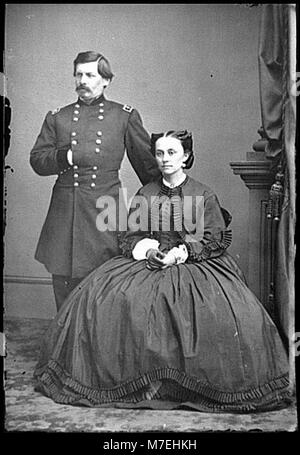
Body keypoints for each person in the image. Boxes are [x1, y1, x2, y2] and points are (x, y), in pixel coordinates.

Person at [34, 130, 291, 412]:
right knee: (115, 300)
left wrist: (183, 252)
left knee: (213, 312)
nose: (165, 159)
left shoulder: (203, 193)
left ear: (186, 157)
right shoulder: (147, 193)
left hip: (196, 264)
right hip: (150, 260)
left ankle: (185, 384)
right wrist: (148, 249)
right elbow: (130, 236)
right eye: (159, 153)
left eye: (171, 153)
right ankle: (146, 384)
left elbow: (213, 238)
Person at [30, 51, 160, 310]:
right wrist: (65, 155)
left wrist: (170, 200)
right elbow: (37, 160)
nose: (83, 80)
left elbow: (148, 168)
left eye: (90, 75)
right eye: (78, 74)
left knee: (104, 289)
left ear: (106, 80)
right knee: (64, 286)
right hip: (66, 213)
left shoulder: (124, 116)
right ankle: (66, 348)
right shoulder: (58, 116)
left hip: (105, 212)